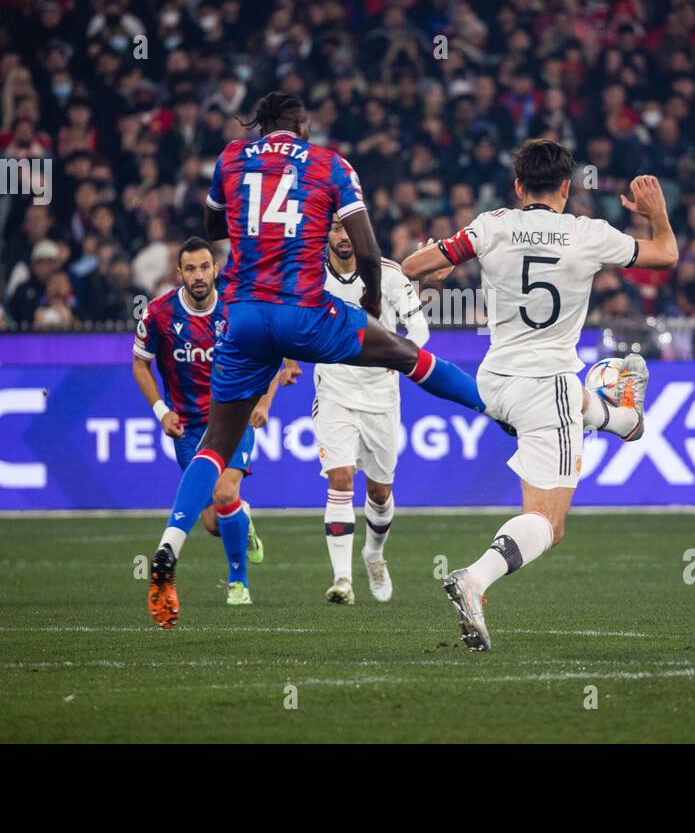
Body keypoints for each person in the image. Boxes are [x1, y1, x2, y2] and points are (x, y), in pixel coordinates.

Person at [146, 91, 504, 630]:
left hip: (242, 316)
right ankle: (500, 411)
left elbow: (217, 228)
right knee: (409, 356)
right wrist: (376, 300)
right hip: (305, 313)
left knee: (214, 444)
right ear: (295, 124)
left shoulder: (230, 159)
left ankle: (169, 547)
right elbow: (365, 245)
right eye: (305, 124)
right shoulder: (329, 164)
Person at [402, 142, 680, 651]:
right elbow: (666, 255)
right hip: (545, 384)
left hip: (494, 380)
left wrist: (433, 272)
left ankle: (623, 422)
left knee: (572, 394)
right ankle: (474, 580)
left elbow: (413, 266)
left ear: (517, 187)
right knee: (549, 525)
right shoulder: (587, 233)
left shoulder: (491, 225)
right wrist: (656, 214)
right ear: (567, 189)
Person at [133, 237, 287, 605]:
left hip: (233, 417)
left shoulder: (237, 309)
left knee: (224, 492)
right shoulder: (159, 314)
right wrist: (161, 411)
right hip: (188, 427)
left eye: (204, 267)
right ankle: (242, 520)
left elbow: (271, 357)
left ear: (216, 269)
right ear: (179, 273)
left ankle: (239, 583)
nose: (198, 275)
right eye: (190, 269)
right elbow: (140, 363)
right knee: (214, 522)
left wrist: (264, 403)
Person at [315, 218, 430, 605]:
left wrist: (395, 355)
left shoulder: (389, 276)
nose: (343, 236)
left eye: (349, 229)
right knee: (341, 479)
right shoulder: (311, 277)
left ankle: (374, 555)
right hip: (333, 390)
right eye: (334, 228)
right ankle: (342, 580)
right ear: (326, 234)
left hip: (381, 396)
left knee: (379, 494)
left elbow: (420, 332)